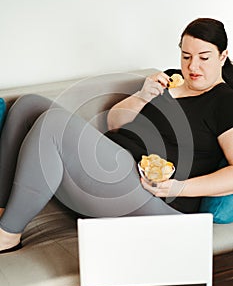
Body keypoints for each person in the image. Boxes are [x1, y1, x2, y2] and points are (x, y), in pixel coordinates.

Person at [1, 17, 233, 253]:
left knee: (54, 123)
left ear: (222, 56)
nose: (193, 67)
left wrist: (177, 188)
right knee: (28, 105)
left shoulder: (224, 101)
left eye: (204, 58)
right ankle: (3, 211)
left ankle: (8, 236)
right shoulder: (169, 79)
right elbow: (114, 123)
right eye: (186, 56)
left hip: (150, 195)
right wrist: (142, 96)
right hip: (112, 171)